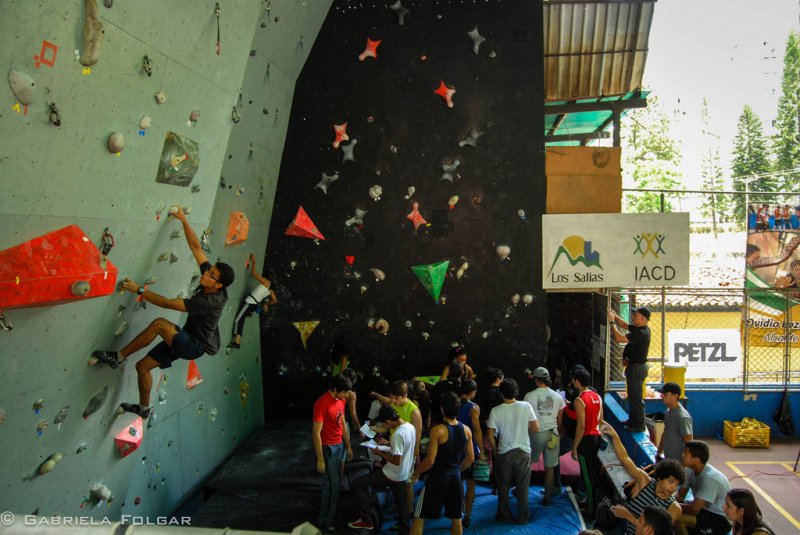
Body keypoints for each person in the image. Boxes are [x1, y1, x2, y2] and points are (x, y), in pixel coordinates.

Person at [92, 205, 234, 418]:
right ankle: (143, 409)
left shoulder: (208, 302)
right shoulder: (211, 281)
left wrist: (139, 289)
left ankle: (118, 358)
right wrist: (184, 220)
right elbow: (196, 248)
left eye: (211, 276)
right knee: (142, 367)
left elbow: (168, 304)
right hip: (185, 337)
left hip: (193, 346)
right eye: (210, 271)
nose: (206, 274)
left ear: (218, 286)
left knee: (159, 324)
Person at [411, 391, 473, 535]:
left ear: (442, 409)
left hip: (438, 478)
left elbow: (430, 461)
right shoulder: (467, 430)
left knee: (419, 517)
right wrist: (457, 469)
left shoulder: (437, 430)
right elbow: (470, 458)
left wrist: (416, 473)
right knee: (456, 519)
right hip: (456, 478)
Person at [603, 423, 683, 534]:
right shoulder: (645, 482)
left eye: (677, 484)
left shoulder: (674, 509)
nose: (673, 488)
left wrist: (628, 516)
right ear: (660, 478)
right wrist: (615, 436)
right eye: (671, 482)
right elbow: (625, 460)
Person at [348, 406, 416, 534]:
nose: (385, 426)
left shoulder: (398, 433)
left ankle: (367, 520)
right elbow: (404, 447)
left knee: (358, 483)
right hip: (404, 473)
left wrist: (379, 452)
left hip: (392, 474)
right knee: (401, 503)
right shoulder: (410, 427)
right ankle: (405, 528)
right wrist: (387, 444)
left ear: (388, 421)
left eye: (385, 423)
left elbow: (397, 460)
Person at [486, 378, 539, 525]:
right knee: (523, 488)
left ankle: (504, 516)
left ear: (501, 394)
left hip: (504, 453)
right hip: (523, 452)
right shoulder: (526, 406)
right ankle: (523, 519)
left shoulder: (495, 411)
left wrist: (496, 451)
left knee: (503, 488)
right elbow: (535, 428)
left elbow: (490, 433)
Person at [312, 375, 354, 532]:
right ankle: (324, 521)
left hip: (339, 445)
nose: (346, 396)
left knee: (334, 485)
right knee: (331, 485)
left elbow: (342, 423)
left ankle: (330, 515)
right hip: (328, 448)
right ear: (335, 389)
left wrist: (348, 446)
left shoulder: (341, 400)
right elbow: (316, 433)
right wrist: (320, 459)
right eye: (344, 392)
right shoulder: (321, 404)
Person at [523, 366, 565, 504]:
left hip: (536, 434)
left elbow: (526, 419)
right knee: (550, 467)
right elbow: (559, 421)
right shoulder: (558, 397)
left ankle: (522, 492)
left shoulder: (529, 396)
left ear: (536, 379)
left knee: (527, 464)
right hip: (553, 434)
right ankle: (547, 497)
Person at [608, 306, 651, 432]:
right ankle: (633, 420)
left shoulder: (642, 333)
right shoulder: (638, 329)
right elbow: (625, 325)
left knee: (636, 397)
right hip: (633, 366)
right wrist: (615, 316)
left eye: (636, 315)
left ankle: (638, 424)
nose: (633, 317)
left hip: (637, 368)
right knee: (632, 396)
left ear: (643, 318)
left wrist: (611, 323)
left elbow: (619, 338)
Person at [676, 440, 732, 535]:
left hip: (719, 517)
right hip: (705, 511)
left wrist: (670, 506)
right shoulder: (689, 469)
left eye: (685, 453)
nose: (682, 455)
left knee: (678, 518)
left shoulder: (710, 478)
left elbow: (694, 510)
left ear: (696, 459)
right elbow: (680, 495)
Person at [571, 366, 603, 513]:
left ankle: (591, 508)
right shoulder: (597, 397)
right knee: (591, 472)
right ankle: (591, 502)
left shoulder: (580, 400)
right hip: (596, 437)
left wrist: (574, 447)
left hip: (586, 440)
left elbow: (581, 426)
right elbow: (600, 421)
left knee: (587, 474)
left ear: (577, 382)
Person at [228, 253, 276, 349]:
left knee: (238, 319)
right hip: (254, 305)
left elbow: (253, 274)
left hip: (250, 303)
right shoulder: (271, 288)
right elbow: (275, 300)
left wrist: (254, 262)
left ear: (266, 276)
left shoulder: (265, 281)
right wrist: (266, 303)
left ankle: (237, 342)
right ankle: (237, 339)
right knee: (241, 319)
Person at [456, 379, 484, 527]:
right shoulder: (474, 408)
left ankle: (458, 509)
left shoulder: (452, 404)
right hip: (469, 449)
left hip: (455, 449)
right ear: (473, 392)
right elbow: (477, 430)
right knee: (471, 484)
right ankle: (467, 515)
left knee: (457, 480)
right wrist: (482, 451)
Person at [656, 382, 693, 461]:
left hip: (679, 461)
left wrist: (685, 463)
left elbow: (689, 441)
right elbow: (665, 433)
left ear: (675, 396)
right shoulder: (668, 412)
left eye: (665, 394)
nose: (661, 396)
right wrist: (658, 452)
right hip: (669, 458)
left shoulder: (682, 417)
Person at [340, 368, 362, 432]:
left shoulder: (334, 389)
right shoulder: (351, 394)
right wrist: (360, 428)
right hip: (343, 421)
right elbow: (353, 414)